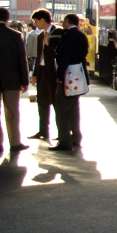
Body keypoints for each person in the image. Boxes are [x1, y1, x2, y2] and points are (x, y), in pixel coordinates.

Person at [0, 8, 30, 153]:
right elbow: (22, 59)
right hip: (12, 80)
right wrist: (24, 81)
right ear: (8, 19)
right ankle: (15, 143)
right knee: (12, 112)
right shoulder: (15, 35)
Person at [51, 13, 89, 151]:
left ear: (67, 21)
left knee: (62, 109)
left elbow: (64, 56)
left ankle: (64, 141)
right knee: (74, 109)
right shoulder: (81, 35)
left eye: (64, 21)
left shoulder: (68, 35)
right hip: (79, 73)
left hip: (69, 75)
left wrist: (60, 75)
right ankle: (76, 138)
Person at [29, 9, 63, 142]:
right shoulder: (40, 36)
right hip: (42, 71)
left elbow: (58, 51)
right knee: (42, 102)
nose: (35, 24)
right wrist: (35, 74)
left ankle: (62, 132)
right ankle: (43, 130)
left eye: (35, 21)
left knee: (56, 102)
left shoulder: (58, 32)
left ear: (42, 19)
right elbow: (39, 56)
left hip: (53, 72)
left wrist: (49, 43)